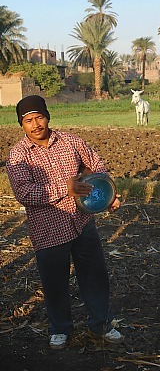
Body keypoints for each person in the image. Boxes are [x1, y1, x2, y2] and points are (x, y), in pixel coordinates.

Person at [6, 95, 124, 350]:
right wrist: (64, 188)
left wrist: (108, 194)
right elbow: (24, 193)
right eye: (28, 120)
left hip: (82, 223)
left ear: (47, 116)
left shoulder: (71, 141)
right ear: (21, 124)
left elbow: (97, 165)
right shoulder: (17, 156)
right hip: (48, 229)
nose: (35, 124)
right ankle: (60, 329)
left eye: (39, 117)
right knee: (55, 282)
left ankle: (101, 325)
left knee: (95, 277)